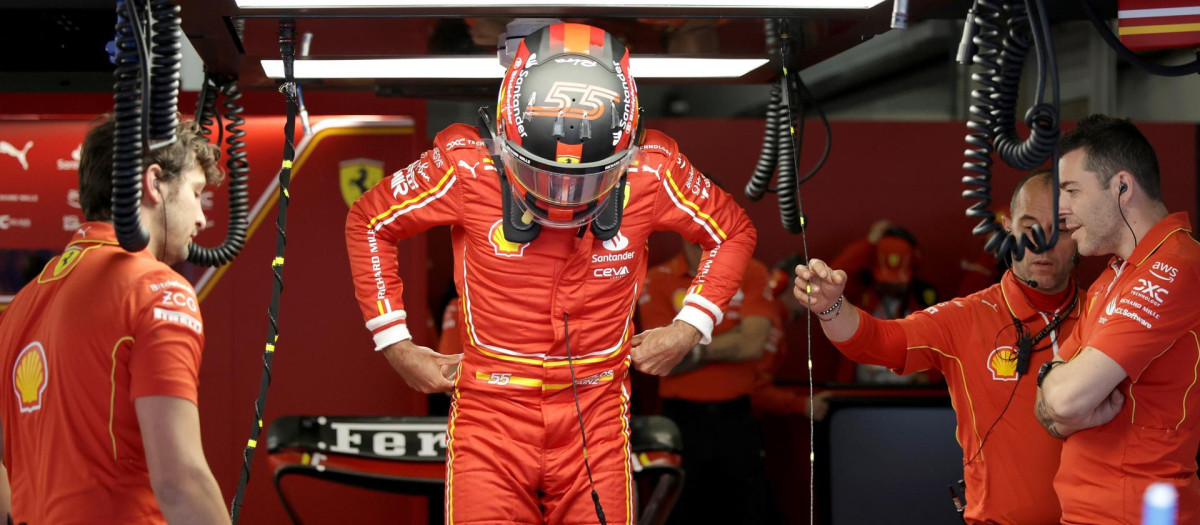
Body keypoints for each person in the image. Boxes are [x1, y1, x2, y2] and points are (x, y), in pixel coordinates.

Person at [344, 23, 756, 525]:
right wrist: (395, 345)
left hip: (597, 409)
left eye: (588, 178)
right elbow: (369, 220)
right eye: (546, 174)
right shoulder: (465, 166)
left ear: (625, 149)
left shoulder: (654, 170)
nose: (566, 196)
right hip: (490, 412)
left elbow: (732, 232)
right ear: (506, 136)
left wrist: (691, 326)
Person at [794, 169, 1081, 524]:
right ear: (1007, 227)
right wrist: (831, 307)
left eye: (1061, 228)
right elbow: (875, 341)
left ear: (1083, 232)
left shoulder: (1107, 312)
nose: (1043, 243)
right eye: (1029, 226)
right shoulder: (966, 316)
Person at [0, 117, 229, 523]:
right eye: (196, 193)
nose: (202, 219)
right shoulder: (159, 290)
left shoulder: (21, 305)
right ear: (153, 183)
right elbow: (182, 481)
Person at [1035, 115, 1200, 524]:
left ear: (1122, 186)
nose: (1061, 209)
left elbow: (1062, 399)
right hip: (1090, 511)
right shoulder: (1114, 275)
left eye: (1072, 190)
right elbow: (1048, 397)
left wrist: (1063, 403)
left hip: (1137, 512)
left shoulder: (1176, 266)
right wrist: (1060, 401)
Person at [637, 241, 773, 524]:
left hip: (739, 418)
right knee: (681, 514)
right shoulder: (657, 277)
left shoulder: (751, 271)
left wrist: (690, 347)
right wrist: (730, 339)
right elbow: (659, 360)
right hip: (681, 422)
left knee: (750, 514)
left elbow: (753, 344)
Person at [828, 223, 940, 384]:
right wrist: (869, 243)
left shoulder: (923, 298)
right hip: (860, 393)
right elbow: (830, 278)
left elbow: (939, 343)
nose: (891, 287)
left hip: (909, 396)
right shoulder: (860, 293)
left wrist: (929, 378)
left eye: (897, 282)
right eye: (885, 282)